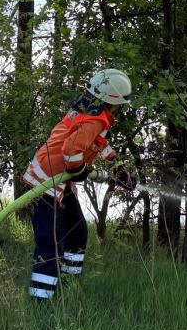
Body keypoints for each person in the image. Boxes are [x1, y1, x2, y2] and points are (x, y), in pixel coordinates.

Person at [21, 69, 136, 301]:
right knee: (50, 245)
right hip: (47, 184)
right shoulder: (93, 118)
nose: (121, 109)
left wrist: (116, 164)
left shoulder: (91, 111)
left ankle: (69, 286)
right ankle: (40, 301)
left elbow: (96, 142)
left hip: (58, 182)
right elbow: (72, 152)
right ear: (114, 101)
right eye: (121, 104)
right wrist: (81, 171)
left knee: (77, 232)